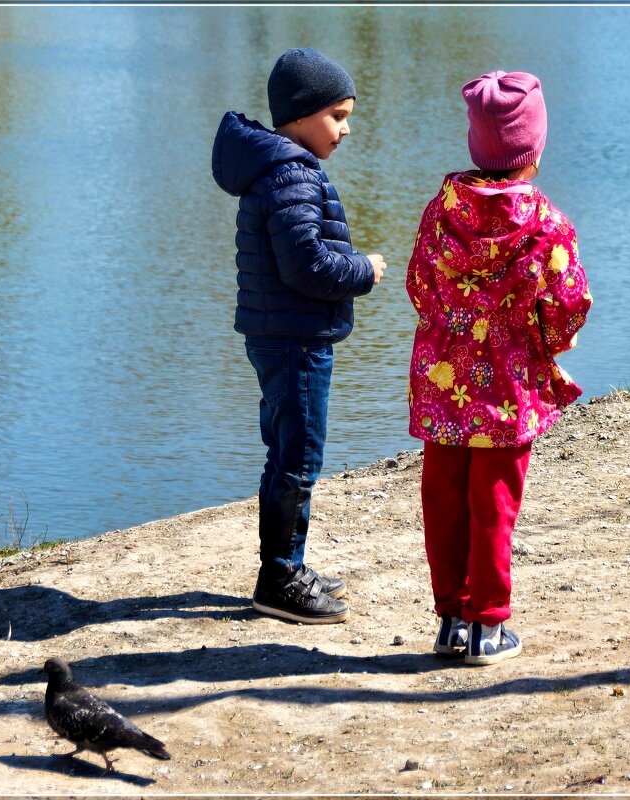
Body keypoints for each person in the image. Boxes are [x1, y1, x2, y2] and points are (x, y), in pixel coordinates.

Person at [406, 70, 592, 665]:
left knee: (444, 495)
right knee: (495, 500)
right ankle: (489, 624)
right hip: (508, 386)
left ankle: (450, 621)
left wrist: (453, 327)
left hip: (443, 382)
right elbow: (569, 304)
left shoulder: (441, 212)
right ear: (533, 150)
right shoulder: (545, 224)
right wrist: (540, 342)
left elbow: (418, 285)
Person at [212, 48, 387, 624]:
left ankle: (287, 563)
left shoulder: (279, 168)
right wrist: (364, 269)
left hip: (282, 334)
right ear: (300, 113)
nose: (345, 129)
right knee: (298, 458)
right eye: (337, 115)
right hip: (296, 340)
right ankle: (279, 579)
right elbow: (306, 265)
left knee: (288, 452)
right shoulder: (291, 174)